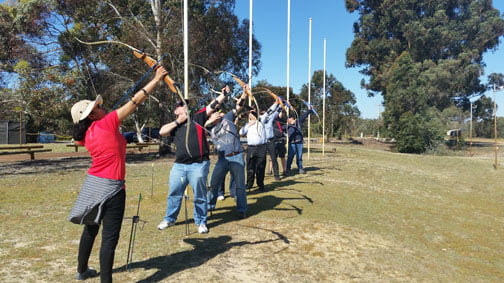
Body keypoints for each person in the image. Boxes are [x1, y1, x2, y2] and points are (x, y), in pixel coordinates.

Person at [68, 66, 168, 282]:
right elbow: (135, 101)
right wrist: (156, 79)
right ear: (93, 114)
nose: (103, 107)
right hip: (112, 187)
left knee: (91, 229)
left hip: (93, 184)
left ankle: (82, 271)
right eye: (98, 107)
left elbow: (78, 137)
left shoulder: (86, 135)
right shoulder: (107, 123)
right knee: (109, 238)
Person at [157, 87, 228, 234]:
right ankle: (170, 219)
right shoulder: (174, 126)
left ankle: (201, 221)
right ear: (176, 111)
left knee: (200, 195)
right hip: (179, 166)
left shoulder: (198, 118)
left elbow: (212, 105)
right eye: (182, 105)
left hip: (199, 164)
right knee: (174, 193)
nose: (185, 107)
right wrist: (178, 122)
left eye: (186, 105)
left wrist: (223, 95)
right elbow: (162, 131)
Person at [206, 89, 248, 218]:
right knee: (214, 183)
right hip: (222, 159)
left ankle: (242, 209)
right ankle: (209, 206)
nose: (219, 114)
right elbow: (202, 125)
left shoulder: (228, 118)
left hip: (237, 155)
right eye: (215, 113)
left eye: (219, 112)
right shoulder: (208, 127)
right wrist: (211, 120)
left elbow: (238, 107)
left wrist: (244, 94)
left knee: (240, 185)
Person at [239, 98, 281, 191]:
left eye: (253, 114)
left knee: (261, 166)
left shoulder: (261, 120)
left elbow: (269, 111)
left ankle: (260, 184)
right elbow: (241, 132)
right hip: (251, 148)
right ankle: (249, 184)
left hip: (261, 147)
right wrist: (249, 125)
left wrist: (276, 103)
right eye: (250, 114)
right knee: (250, 167)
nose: (251, 115)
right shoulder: (247, 124)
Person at [284, 106, 314, 175]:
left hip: (299, 143)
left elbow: (304, 116)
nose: (287, 120)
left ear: (291, 118)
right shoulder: (287, 125)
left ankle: (300, 168)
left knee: (299, 157)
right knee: (290, 157)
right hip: (292, 143)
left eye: (288, 119)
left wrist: (309, 110)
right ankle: (288, 169)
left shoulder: (298, 122)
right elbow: (281, 129)